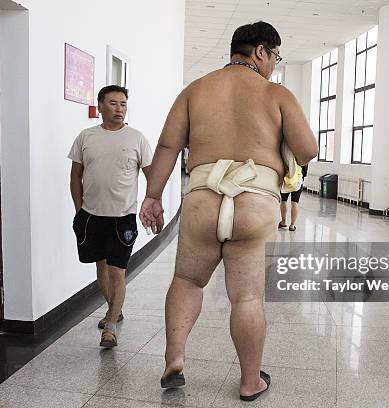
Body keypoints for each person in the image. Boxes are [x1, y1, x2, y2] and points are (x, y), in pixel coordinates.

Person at [140, 21, 317, 401]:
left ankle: (175, 358)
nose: (274, 64)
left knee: (187, 281)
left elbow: (168, 147)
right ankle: (250, 381)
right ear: (260, 52)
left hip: (203, 196)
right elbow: (307, 150)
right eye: (275, 56)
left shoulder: (195, 90)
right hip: (254, 202)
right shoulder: (277, 94)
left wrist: (152, 196)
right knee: (247, 297)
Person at [69, 85, 153, 349]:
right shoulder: (86, 137)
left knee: (118, 271)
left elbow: (153, 177)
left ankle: (111, 327)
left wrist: (151, 205)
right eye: (114, 103)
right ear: (101, 106)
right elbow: (75, 175)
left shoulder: (136, 138)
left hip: (122, 217)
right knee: (101, 268)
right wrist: (78, 209)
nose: (120, 109)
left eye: (124, 104)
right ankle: (113, 309)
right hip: (91, 216)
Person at [279, 163, 308, 231]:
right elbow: (305, 170)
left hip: (286, 179)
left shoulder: (286, 152)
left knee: (283, 201)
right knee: (295, 203)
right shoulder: (302, 154)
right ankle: (292, 225)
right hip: (298, 180)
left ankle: (283, 222)